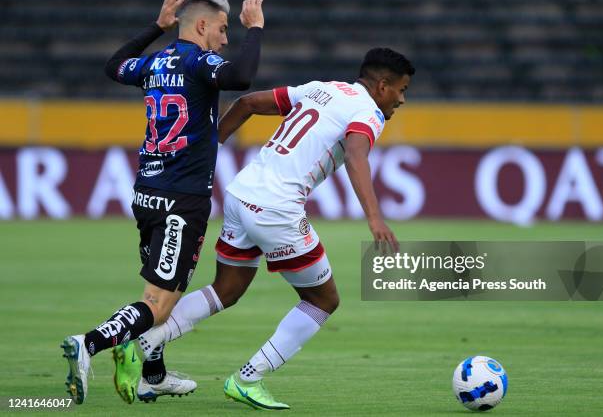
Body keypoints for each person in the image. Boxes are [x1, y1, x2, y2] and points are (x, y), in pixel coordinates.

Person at [115, 47, 415, 409]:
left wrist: (209, 150)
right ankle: (248, 378)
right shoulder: (369, 112)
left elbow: (247, 103)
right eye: (401, 89)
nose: (401, 99)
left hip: (242, 195)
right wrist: (374, 218)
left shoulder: (324, 88)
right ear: (382, 86)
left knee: (226, 289)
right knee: (323, 300)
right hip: (277, 208)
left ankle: (142, 342)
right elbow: (355, 154)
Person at [60, 0, 265, 405]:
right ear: (203, 25)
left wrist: (156, 27)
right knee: (158, 302)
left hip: (148, 193)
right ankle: (90, 344)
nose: (225, 40)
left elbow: (113, 65)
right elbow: (241, 77)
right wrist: (255, 30)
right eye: (223, 29)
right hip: (181, 201)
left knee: (161, 292)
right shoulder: (198, 61)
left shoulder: (154, 61)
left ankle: (153, 375)